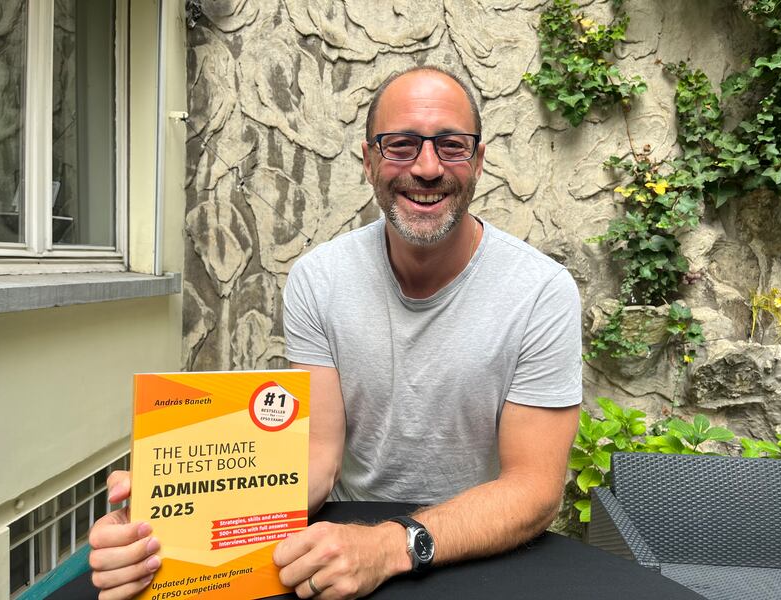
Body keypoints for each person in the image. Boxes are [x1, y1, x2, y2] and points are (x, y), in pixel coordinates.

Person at [88, 66, 582, 600]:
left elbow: (534, 489)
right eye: (401, 145)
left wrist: (391, 546)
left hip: (478, 546)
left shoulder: (540, 291)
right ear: (369, 161)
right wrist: (174, 517)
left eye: (451, 145)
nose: (427, 167)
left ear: (478, 161)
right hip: (346, 538)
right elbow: (319, 459)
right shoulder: (319, 279)